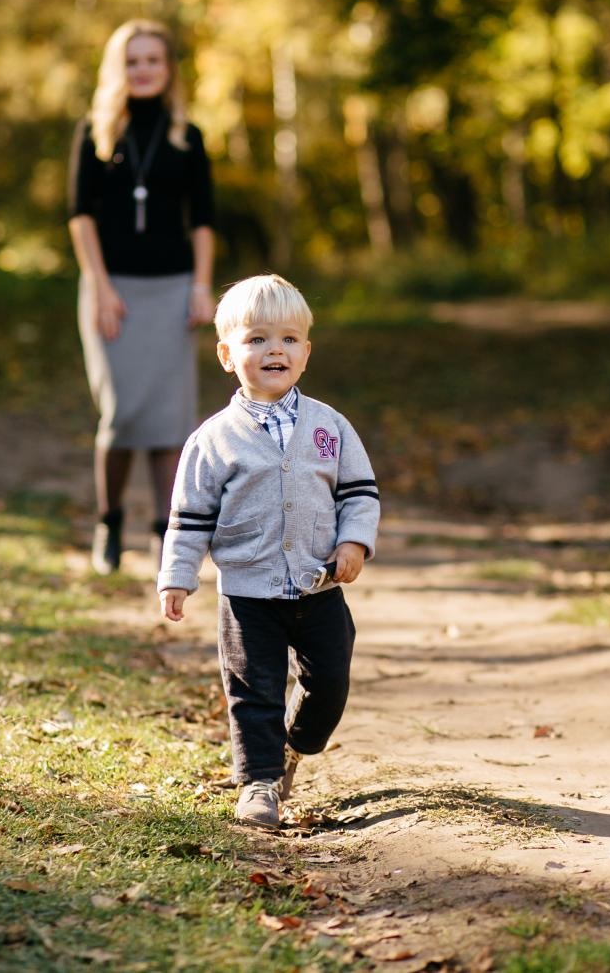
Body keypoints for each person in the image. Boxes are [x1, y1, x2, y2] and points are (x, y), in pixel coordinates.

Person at [156, 275, 380, 830]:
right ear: (227, 355)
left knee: (329, 682)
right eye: (256, 339)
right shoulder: (213, 440)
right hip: (248, 596)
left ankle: (294, 747)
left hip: (319, 586)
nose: (273, 349)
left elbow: (358, 494)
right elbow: (189, 517)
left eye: (287, 338)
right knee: (253, 693)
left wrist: (353, 542)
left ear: (305, 352)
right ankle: (258, 783)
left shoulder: (331, 426)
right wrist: (177, 577)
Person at [68, 19, 216, 575]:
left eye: (153, 59)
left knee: (169, 418)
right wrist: (102, 288)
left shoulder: (188, 136)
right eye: (133, 61)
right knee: (122, 411)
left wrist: (202, 286)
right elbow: (80, 216)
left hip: (173, 287)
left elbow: (203, 220)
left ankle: (164, 534)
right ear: (118, 69)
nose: (144, 69)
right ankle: (108, 523)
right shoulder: (94, 132)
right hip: (113, 291)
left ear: (168, 68)